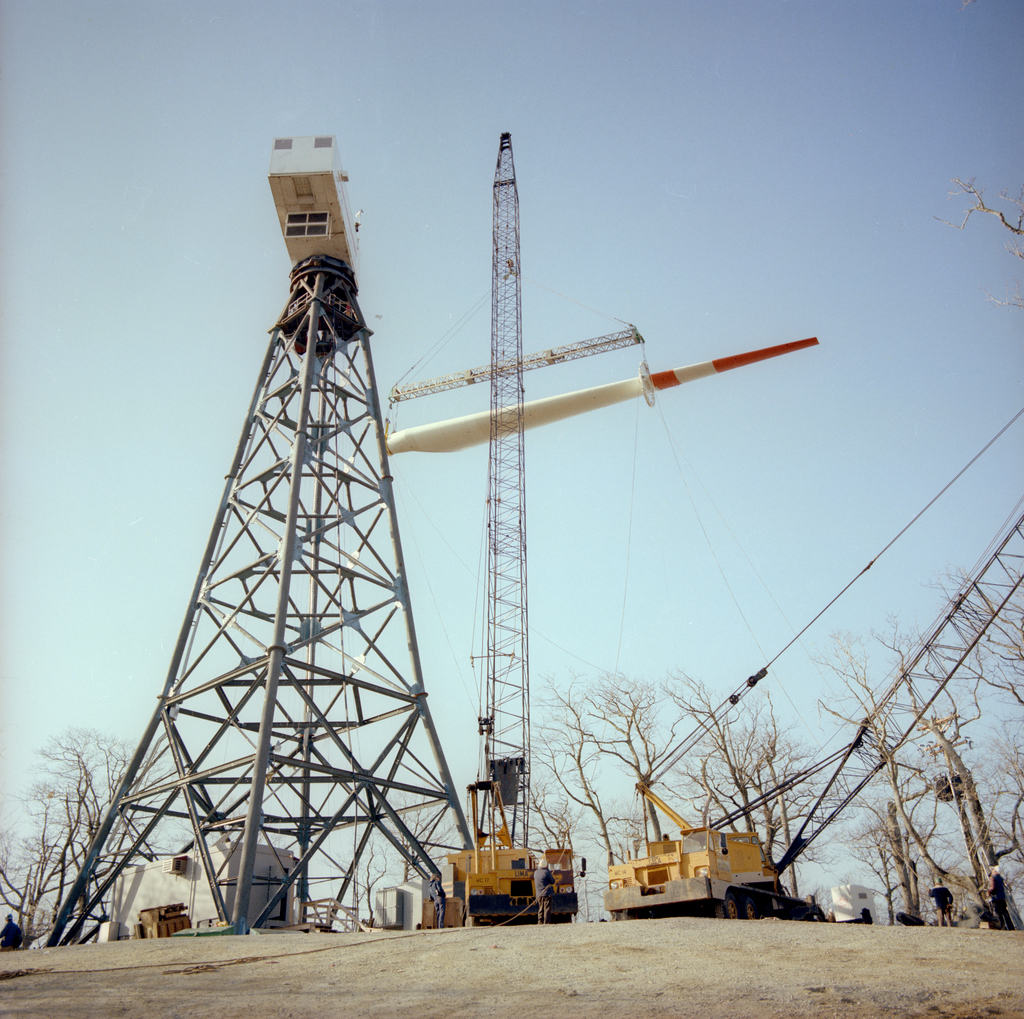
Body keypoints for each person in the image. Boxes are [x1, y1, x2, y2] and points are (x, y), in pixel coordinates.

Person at [988, 866, 1015, 931]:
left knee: (998, 913)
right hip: (1002, 898)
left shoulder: (993, 878)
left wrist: (988, 892)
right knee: (1005, 913)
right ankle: (1011, 927)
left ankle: (1001, 926)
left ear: (995, 871)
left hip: (996, 898)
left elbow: (992, 888)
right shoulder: (1001, 878)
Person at [534, 860, 555, 925]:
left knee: (540, 908)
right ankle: (546, 922)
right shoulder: (546, 872)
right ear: (546, 865)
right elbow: (552, 882)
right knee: (547, 909)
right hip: (547, 893)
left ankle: (540, 922)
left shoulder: (536, 873)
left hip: (539, 894)